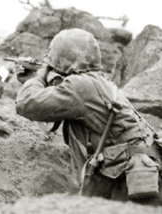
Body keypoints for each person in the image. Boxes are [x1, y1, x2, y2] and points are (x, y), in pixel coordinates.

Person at [15, 28, 162, 205]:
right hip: (138, 175)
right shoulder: (97, 82)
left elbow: (26, 104)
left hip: (132, 182)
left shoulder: (80, 86)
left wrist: (40, 76)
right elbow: (55, 107)